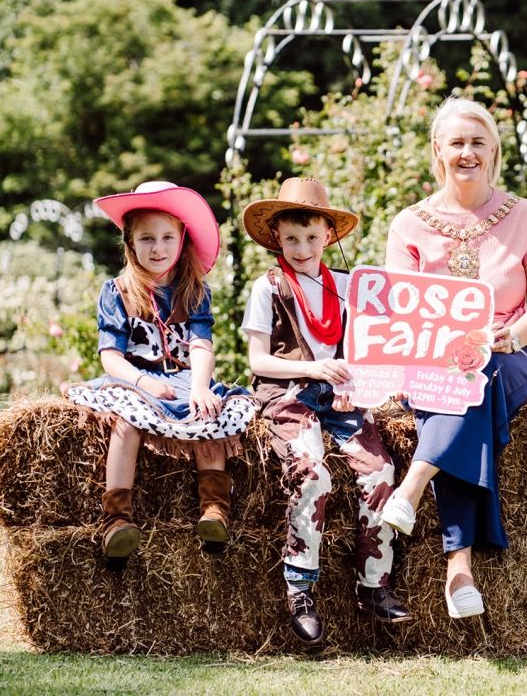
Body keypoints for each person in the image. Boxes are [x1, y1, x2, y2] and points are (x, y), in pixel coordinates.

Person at [379, 98, 527, 619]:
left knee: (478, 373)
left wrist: (509, 335)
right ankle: (459, 571)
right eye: (456, 143)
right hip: (436, 362)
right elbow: (398, 309)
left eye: (478, 142)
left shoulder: (525, 215)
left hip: (512, 355)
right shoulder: (408, 224)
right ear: (438, 151)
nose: (467, 153)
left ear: (495, 150)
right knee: (464, 387)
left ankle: (413, 487)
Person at [241, 177, 411, 646]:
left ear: (328, 237)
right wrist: (315, 368)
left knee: (380, 470)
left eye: (312, 238)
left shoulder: (349, 287)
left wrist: (356, 384)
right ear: (276, 236)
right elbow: (257, 361)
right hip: (291, 393)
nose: (302, 248)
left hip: (341, 396)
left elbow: (368, 348)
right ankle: (300, 588)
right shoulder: (269, 287)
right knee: (314, 472)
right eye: (291, 239)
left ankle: (374, 584)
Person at [65, 181, 258, 564]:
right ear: (130, 243)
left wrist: (201, 386)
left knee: (211, 413)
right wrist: (143, 381)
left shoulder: (194, 290)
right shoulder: (118, 291)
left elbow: (201, 345)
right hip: (135, 379)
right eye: (147, 238)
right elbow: (111, 357)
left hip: (185, 380)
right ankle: (117, 519)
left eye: (168, 237)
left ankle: (214, 510)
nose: (158, 248)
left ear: (183, 238)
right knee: (127, 422)